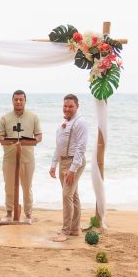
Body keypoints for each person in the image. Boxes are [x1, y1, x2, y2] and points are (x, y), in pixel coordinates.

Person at [0, 90, 42, 224]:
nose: (18, 102)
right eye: (16, 99)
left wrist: (34, 141)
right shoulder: (5, 118)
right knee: (9, 187)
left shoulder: (33, 117)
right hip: (10, 159)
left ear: (25, 101)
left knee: (27, 188)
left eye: (21, 99)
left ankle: (28, 215)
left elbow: (39, 136)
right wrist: (6, 140)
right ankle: (9, 213)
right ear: (12, 101)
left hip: (27, 159)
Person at [50, 94, 89, 242]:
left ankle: (65, 232)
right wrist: (54, 164)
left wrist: (72, 169)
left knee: (67, 196)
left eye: (70, 106)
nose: (67, 109)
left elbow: (81, 147)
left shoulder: (81, 123)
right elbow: (58, 146)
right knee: (73, 196)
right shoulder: (63, 123)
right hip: (63, 162)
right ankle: (74, 229)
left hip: (74, 163)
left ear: (77, 106)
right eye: (65, 106)